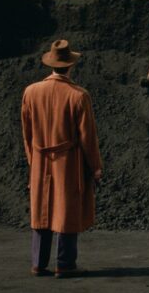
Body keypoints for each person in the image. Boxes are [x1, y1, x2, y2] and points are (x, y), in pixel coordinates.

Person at [21, 39, 103, 278]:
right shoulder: (79, 95)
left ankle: (38, 263)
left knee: (41, 208)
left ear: (51, 64)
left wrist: (33, 159)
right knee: (66, 209)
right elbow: (88, 137)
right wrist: (95, 167)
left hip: (39, 159)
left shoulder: (31, 92)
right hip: (67, 161)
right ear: (70, 65)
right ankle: (65, 264)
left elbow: (26, 133)